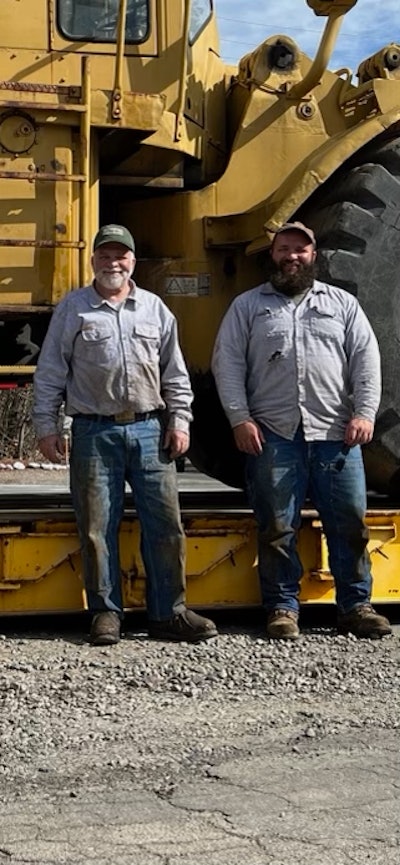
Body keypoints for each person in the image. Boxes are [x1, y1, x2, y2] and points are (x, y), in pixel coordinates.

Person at [32, 223, 217, 646]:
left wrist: (181, 421)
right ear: (93, 260)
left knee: (166, 525)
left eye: (121, 255)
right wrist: (47, 427)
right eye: (105, 255)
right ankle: (105, 613)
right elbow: (50, 373)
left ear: (132, 261)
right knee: (97, 527)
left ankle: (169, 613)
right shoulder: (73, 309)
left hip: (151, 429)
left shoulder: (155, 309)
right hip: (94, 432)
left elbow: (175, 372)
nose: (112, 262)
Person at [212, 221, 392, 641]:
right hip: (273, 435)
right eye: (284, 249)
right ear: (272, 255)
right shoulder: (248, 307)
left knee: (348, 523)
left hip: (336, 436)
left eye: (301, 250)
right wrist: (240, 418)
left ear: (315, 256)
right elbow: (228, 364)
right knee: (277, 525)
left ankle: (356, 606)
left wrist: (365, 413)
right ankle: (282, 608)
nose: (292, 256)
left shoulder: (343, 305)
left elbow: (366, 361)